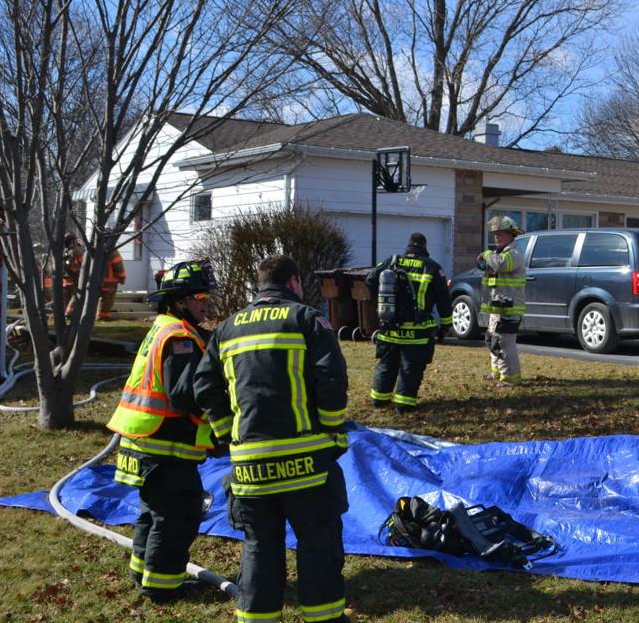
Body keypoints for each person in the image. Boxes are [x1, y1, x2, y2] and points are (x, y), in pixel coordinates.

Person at [193, 255, 350, 623]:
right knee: (317, 541)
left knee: (260, 545)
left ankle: (257, 619)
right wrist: (329, 430)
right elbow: (331, 377)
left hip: (249, 467)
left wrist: (227, 434)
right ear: (293, 282)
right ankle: (324, 618)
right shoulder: (307, 319)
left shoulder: (227, 328)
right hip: (305, 463)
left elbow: (204, 387)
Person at [105, 259, 216, 603]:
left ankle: (144, 573)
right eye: (199, 295)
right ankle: (163, 587)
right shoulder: (180, 337)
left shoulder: (164, 326)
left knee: (153, 515)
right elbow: (185, 396)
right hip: (165, 447)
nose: (206, 301)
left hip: (144, 442)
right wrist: (222, 406)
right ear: (179, 300)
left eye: (207, 294)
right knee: (178, 516)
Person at [365, 232, 451, 413]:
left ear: (409, 245)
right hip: (416, 333)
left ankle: (379, 401)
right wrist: (445, 326)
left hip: (390, 328)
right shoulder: (432, 267)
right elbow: (444, 301)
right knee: (410, 368)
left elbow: (371, 280)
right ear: (424, 246)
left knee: (387, 364)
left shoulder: (392, 261)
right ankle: (404, 405)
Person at [478, 216, 526, 385]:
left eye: (501, 234)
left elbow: (502, 265)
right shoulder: (499, 254)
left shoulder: (514, 253)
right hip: (497, 307)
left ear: (511, 235)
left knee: (505, 344)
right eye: (495, 234)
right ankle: (496, 372)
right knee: (493, 341)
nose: (496, 237)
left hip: (509, 309)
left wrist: (487, 254)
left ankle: (511, 379)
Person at [98, 236, 127, 321]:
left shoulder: (97, 249)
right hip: (109, 281)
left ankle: (98, 315)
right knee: (107, 299)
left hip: (98, 279)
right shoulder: (112, 251)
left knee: (98, 298)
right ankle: (103, 317)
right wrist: (122, 277)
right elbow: (118, 265)